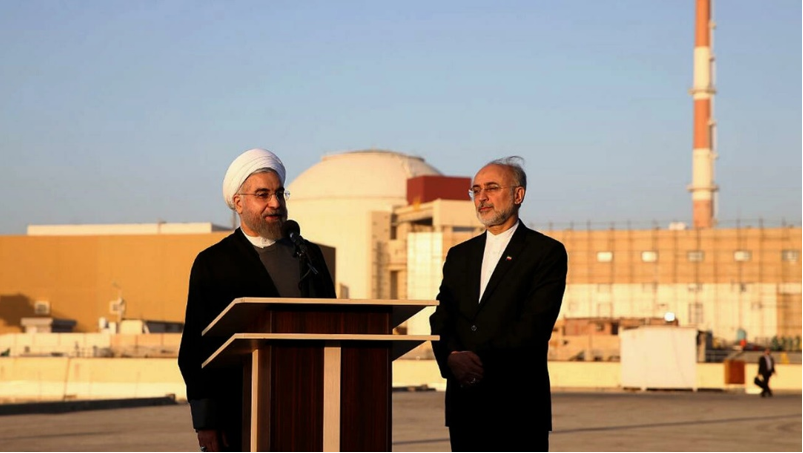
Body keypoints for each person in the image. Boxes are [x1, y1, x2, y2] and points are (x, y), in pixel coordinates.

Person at [177, 148, 336, 452]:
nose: (275, 203)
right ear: (238, 203)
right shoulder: (214, 262)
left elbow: (333, 323)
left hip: (310, 405)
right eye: (262, 195)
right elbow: (195, 349)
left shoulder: (308, 255)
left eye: (279, 193)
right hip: (240, 410)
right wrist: (206, 421)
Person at [429, 156, 567, 452]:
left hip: (516, 405)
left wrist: (475, 364)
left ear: (518, 195)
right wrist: (451, 356)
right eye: (476, 190)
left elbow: (535, 325)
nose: (482, 197)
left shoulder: (545, 253)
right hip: (465, 406)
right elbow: (442, 316)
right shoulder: (459, 255)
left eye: (491, 188)